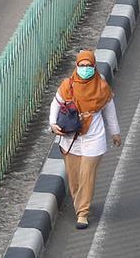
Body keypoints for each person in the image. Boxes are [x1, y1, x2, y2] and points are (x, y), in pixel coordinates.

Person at [49, 50, 122, 230]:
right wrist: (52, 124)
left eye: (89, 66)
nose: (85, 69)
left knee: (87, 174)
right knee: (74, 178)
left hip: (94, 137)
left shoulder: (102, 88)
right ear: (76, 66)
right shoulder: (67, 86)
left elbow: (110, 112)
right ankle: (79, 203)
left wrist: (115, 133)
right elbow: (55, 104)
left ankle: (83, 212)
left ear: (94, 67)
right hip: (71, 139)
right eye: (82, 66)